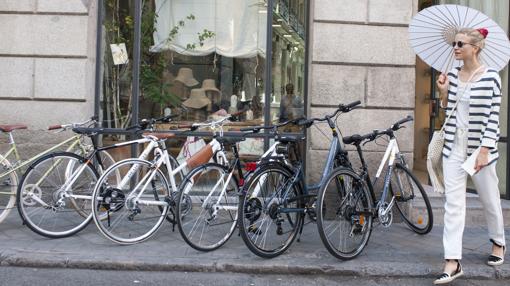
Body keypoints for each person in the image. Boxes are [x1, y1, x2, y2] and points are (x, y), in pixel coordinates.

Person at [434, 27, 506, 284]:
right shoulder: (452, 74)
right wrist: (443, 93)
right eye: (454, 43)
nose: (455, 47)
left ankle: (498, 242)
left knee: (489, 201)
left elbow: (492, 119)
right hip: (454, 146)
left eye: (460, 43)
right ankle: (452, 261)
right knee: (454, 206)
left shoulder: (491, 78)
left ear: (474, 47)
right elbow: (447, 111)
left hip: (480, 150)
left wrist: (485, 150)